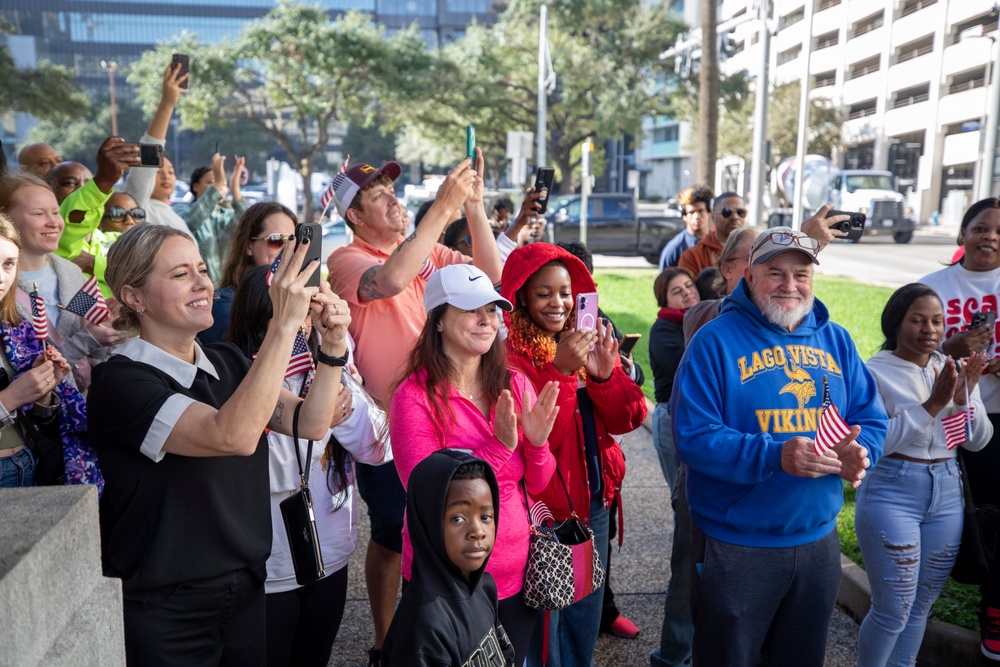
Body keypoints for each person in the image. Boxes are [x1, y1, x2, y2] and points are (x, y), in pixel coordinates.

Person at [87, 223, 350, 665]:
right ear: (133, 297)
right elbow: (233, 435)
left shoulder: (226, 361)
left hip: (245, 591)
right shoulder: (120, 380)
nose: (202, 283)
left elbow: (311, 421)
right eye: (179, 274)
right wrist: (283, 325)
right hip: (166, 609)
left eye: (203, 269)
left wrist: (333, 347)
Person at [671, 226, 886, 666]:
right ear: (749, 276)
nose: (790, 285)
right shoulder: (714, 341)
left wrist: (861, 450)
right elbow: (692, 436)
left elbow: (871, 417)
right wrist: (774, 454)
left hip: (819, 542)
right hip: (737, 545)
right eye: (776, 272)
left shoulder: (837, 340)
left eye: (801, 274)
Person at [326, 154, 501, 666]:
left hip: (451, 415)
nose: (393, 199)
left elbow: (489, 277)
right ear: (353, 216)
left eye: (391, 191)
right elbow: (390, 280)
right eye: (378, 196)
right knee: (395, 534)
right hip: (387, 427)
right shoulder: (345, 260)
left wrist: (473, 209)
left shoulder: (430, 252)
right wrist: (441, 208)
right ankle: (388, 641)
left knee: (449, 528)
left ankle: (455, 627)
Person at [389, 263, 558, 663]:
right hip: (445, 580)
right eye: (471, 309)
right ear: (439, 322)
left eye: (492, 308)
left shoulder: (514, 383)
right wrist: (501, 446)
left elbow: (538, 481)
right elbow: (429, 491)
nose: (486, 319)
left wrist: (535, 445)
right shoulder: (414, 398)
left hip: (515, 572)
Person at [227, 264, 392, 667]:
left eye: (305, 313)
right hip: (268, 566)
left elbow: (379, 448)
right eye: (287, 313)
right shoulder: (234, 376)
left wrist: (341, 402)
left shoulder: (327, 369)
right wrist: (313, 418)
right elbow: (259, 468)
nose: (300, 327)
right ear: (258, 319)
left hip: (329, 556)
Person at [499, 242, 647, 667]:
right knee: (549, 615)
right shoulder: (512, 356)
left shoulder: (584, 340)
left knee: (585, 605)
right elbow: (543, 440)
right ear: (522, 296)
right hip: (546, 507)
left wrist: (603, 377)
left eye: (565, 292)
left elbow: (629, 418)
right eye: (544, 293)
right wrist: (561, 372)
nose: (558, 303)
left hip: (594, 497)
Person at [857, 283, 992, 666]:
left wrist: (965, 398)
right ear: (895, 324)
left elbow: (976, 442)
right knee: (893, 608)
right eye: (917, 320)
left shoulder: (947, 368)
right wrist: (933, 404)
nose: (930, 330)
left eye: (937, 321)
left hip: (947, 491)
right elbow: (874, 444)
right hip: (892, 491)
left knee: (920, 607)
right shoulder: (873, 373)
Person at [917, 197, 1000, 659]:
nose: (990, 237)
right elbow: (900, 348)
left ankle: (994, 607)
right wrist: (951, 345)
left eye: (999, 232)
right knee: (938, 513)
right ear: (962, 233)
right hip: (944, 416)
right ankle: (913, 597)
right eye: (981, 227)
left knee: (994, 514)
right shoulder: (932, 286)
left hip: (996, 420)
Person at [381, 450, 516, 667]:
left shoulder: (484, 585)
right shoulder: (423, 628)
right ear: (428, 522)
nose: (477, 531)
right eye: (458, 518)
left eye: (485, 517)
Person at [0, 174, 119, 389]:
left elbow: (99, 354)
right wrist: (88, 338)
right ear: (5, 220)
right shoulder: (4, 287)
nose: (54, 222)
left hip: (86, 409)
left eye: (55, 212)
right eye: (39, 214)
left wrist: (108, 327)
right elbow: (28, 376)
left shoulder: (71, 273)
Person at [0, 212, 89, 489]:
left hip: (28, 463)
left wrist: (44, 390)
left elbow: (40, 420)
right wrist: (11, 397)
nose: (1, 277)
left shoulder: (13, 326)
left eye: (8, 264)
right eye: (37, 213)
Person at [647, 266, 700, 667]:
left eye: (689, 287)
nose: (685, 295)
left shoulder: (707, 322)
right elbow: (689, 365)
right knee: (684, 507)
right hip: (672, 421)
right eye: (676, 291)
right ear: (663, 301)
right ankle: (675, 653)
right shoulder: (665, 330)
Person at [56, 137, 142, 298]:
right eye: (69, 183)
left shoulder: (116, 239)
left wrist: (94, 263)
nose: (83, 188)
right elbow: (70, 223)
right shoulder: (48, 240)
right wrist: (102, 181)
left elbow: (142, 272)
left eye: (89, 183)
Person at [202, 201, 297, 344]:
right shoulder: (223, 303)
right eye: (275, 240)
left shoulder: (300, 296)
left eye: (292, 242)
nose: (286, 250)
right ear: (248, 246)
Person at [124, 61, 193, 238]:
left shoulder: (172, 213)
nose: (166, 176)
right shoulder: (139, 207)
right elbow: (149, 153)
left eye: (171, 172)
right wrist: (167, 104)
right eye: (158, 171)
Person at [174, 154, 250, 283]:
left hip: (227, 290)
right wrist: (218, 183)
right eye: (211, 182)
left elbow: (248, 223)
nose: (219, 187)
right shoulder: (182, 210)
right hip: (196, 286)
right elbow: (190, 223)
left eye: (222, 183)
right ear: (195, 186)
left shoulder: (226, 214)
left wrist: (235, 188)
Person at [677, 191, 745, 277]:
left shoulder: (754, 251)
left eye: (740, 212)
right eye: (727, 211)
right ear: (713, 216)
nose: (735, 217)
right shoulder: (692, 256)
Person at [659, 186, 713, 271]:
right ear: (684, 215)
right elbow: (664, 282)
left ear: (709, 212)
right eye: (691, 212)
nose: (697, 216)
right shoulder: (674, 249)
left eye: (700, 211)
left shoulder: (718, 244)